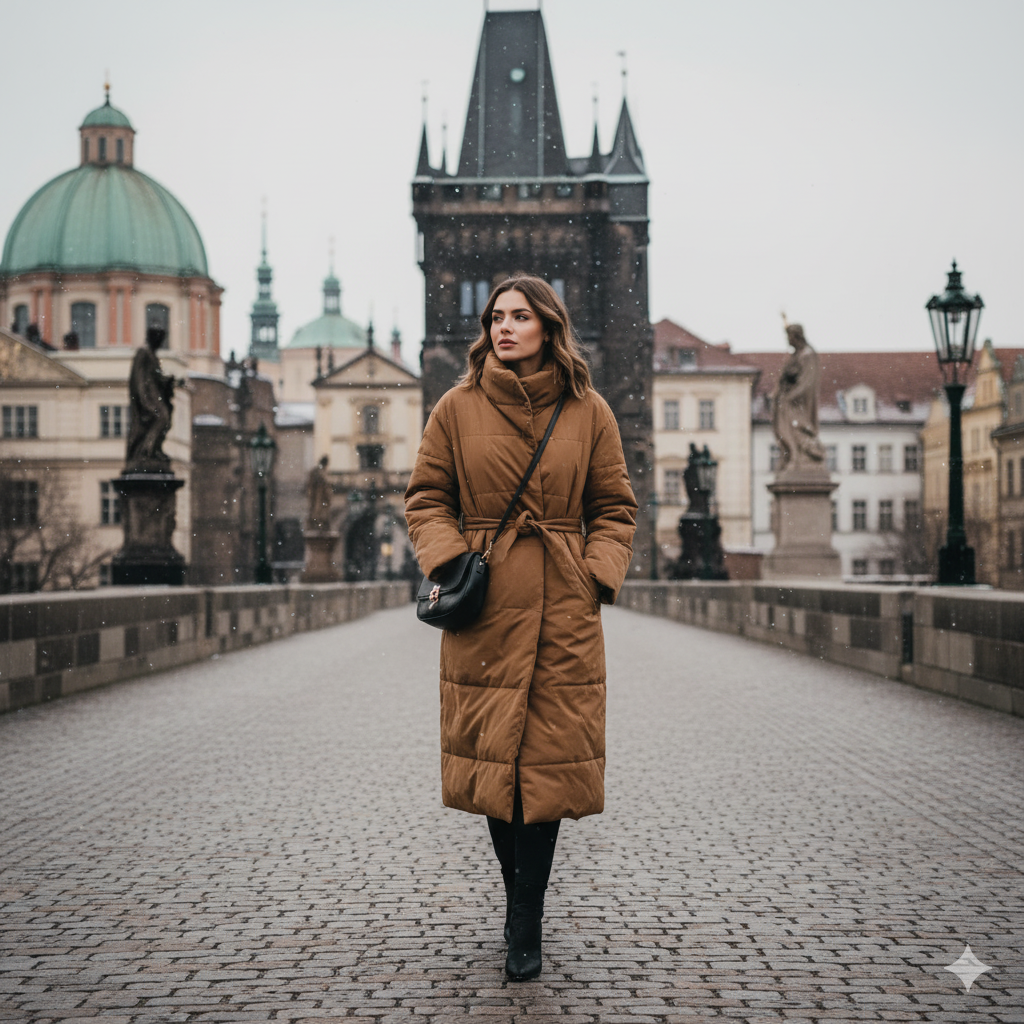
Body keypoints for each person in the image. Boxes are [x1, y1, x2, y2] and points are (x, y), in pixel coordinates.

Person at [405, 275, 637, 981]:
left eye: (520, 317)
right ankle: (518, 905)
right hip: (486, 608)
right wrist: (451, 559)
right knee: (496, 764)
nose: (505, 328)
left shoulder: (589, 409)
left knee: (547, 767)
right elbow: (425, 498)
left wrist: (594, 574)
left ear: (548, 327)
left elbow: (616, 507)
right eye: (497, 317)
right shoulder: (456, 405)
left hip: (565, 609)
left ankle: (525, 918)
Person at [771, 322, 826, 473]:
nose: (788, 340)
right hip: (789, 400)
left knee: (794, 427)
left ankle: (798, 456)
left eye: (789, 336)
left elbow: (807, 382)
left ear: (797, 336)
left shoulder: (807, 355)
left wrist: (790, 396)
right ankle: (791, 454)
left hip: (798, 403)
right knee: (784, 428)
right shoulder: (797, 355)